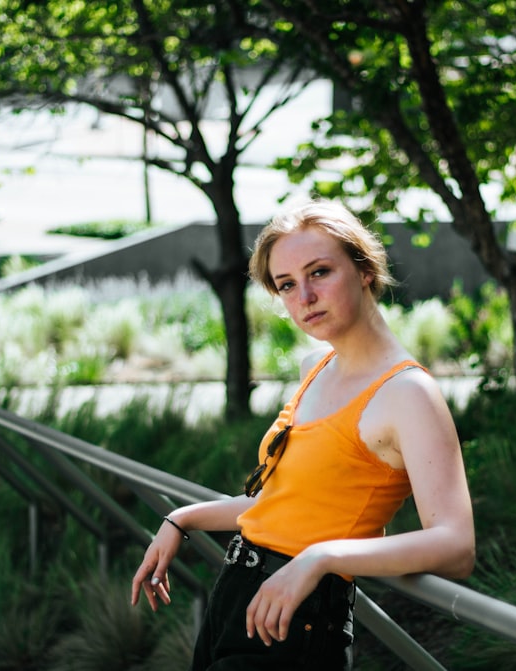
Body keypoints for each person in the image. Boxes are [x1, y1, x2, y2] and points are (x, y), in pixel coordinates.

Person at [131, 199, 475, 670]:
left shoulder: (407, 393)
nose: (304, 297)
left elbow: (456, 546)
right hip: (237, 598)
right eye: (287, 284)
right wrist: (184, 518)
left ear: (365, 270)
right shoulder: (316, 368)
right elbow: (289, 505)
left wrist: (321, 558)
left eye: (319, 273)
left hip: (297, 620)